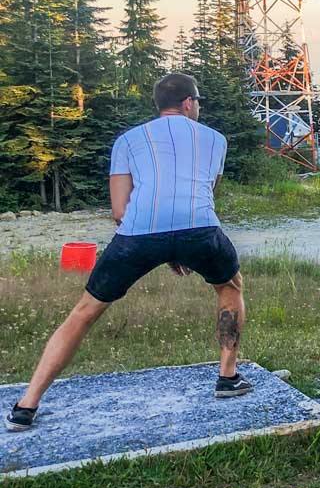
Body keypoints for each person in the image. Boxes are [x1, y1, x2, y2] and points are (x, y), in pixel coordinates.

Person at [6, 72, 252, 432]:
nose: (198, 107)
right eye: (198, 102)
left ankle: (27, 404)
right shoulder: (215, 140)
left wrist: (161, 246)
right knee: (230, 287)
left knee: (84, 313)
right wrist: (178, 249)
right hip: (200, 229)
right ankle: (227, 377)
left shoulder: (128, 140)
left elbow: (119, 210)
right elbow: (203, 193)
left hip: (138, 234)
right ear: (188, 103)